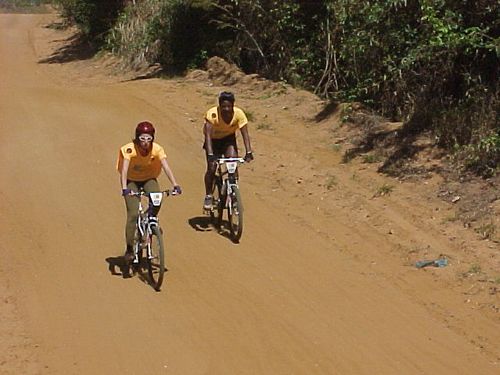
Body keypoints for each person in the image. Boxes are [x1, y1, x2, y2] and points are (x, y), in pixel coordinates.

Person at [117, 121, 181, 262]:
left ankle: (149, 221)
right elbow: (124, 170)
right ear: (137, 137)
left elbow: (166, 167)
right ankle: (129, 249)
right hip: (131, 181)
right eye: (142, 138)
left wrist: (175, 184)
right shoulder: (129, 149)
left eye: (148, 138)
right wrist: (124, 189)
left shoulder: (157, 149)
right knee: (133, 214)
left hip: (148, 179)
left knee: (157, 199)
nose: (145, 142)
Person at [202, 91, 254, 210]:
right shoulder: (212, 114)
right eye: (223, 106)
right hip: (213, 142)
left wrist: (249, 151)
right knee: (211, 168)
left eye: (229, 106)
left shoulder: (239, 114)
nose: (226, 109)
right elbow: (208, 136)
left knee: (232, 164)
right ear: (219, 106)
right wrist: (210, 154)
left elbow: (245, 134)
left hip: (228, 140)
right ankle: (209, 195)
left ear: (233, 105)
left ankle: (233, 192)